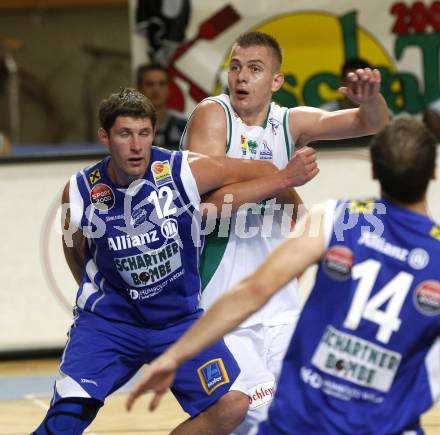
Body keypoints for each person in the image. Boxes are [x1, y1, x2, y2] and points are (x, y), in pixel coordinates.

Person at [127, 116, 440, 434]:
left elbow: (253, 291)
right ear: (433, 172)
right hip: (385, 423)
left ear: (373, 170)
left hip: (302, 417)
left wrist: (175, 355)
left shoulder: (335, 217)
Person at [31, 88, 315, 435]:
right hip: (111, 323)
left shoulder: (183, 170)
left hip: (178, 323)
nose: (137, 145)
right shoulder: (78, 190)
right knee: (64, 421)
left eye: (144, 133)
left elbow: (261, 169)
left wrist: (288, 181)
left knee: (232, 406)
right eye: (125, 134)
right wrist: (95, 295)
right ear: (104, 136)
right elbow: (74, 248)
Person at [180, 31, 389, 433]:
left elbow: (373, 124)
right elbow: (206, 207)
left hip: (280, 305)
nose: (241, 77)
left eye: (255, 69)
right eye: (236, 67)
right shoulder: (213, 113)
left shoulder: (288, 122)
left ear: (276, 81)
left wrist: (370, 100)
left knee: (307, 412)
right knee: (252, 415)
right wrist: (281, 180)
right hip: (222, 306)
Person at [137, 62, 187, 150]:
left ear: (168, 89)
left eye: (162, 84)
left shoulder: (185, 125)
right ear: (139, 89)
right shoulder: (128, 127)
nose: (156, 89)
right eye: (150, 84)